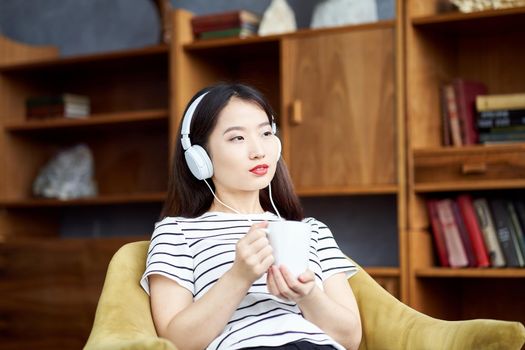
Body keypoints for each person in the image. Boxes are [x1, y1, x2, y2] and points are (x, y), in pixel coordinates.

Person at [140, 83, 362, 350]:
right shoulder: (176, 233)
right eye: (237, 138)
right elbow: (175, 343)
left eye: (266, 133)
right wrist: (239, 276)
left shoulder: (311, 231)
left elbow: (351, 338)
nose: (259, 150)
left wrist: (308, 295)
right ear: (199, 158)